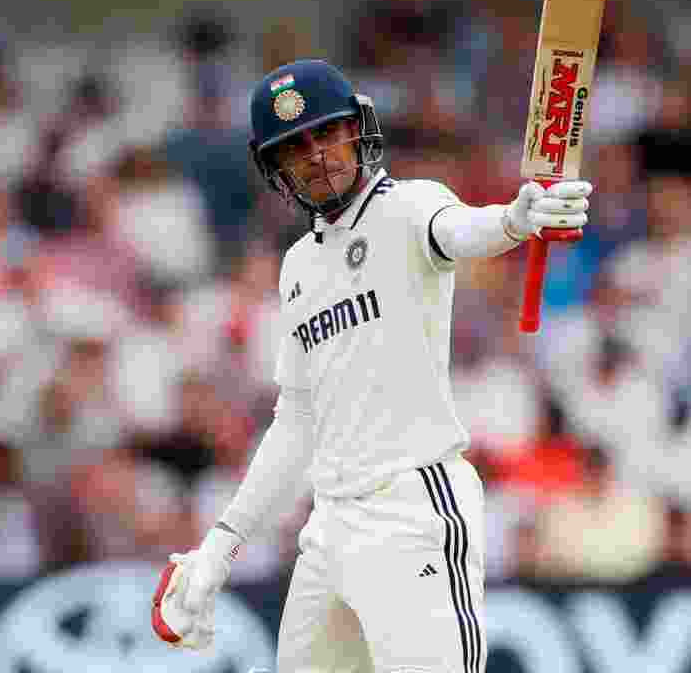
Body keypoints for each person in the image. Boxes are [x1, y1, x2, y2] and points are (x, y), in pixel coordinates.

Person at [150, 59, 591, 673]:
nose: (317, 154)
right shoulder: (298, 266)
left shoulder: (409, 208)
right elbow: (297, 419)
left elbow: (462, 231)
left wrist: (516, 221)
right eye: (295, 147)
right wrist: (220, 547)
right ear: (274, 168)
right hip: (329, 525)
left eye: (326, 133)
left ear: (358, 130)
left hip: (413, 505)